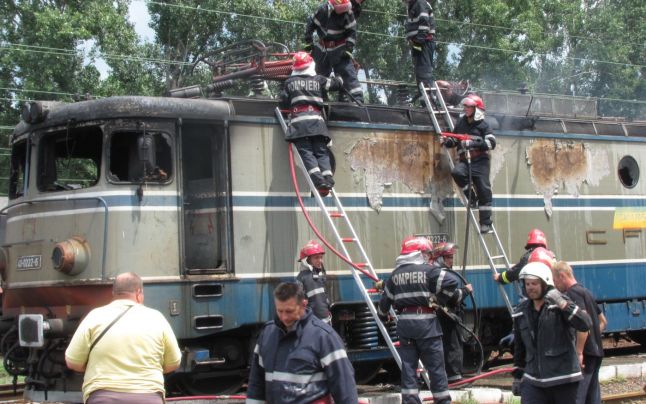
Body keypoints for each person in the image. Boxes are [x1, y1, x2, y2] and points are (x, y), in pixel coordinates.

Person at [65, 272, 182, 404]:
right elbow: (174, 363)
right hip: (148, 398)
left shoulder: (95, 316)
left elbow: (73, 362)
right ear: (139, 293)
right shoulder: (157, 318)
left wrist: (93, 366)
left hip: (103, 398)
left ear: (113, 293)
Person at [246, 282, 358, 403]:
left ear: (303, 305)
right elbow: (256, 383)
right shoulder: (267, 334)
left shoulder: (324, 337)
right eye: (280, 311)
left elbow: (345, 387)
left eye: (289, 311)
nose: (284, 317)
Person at [378, 236, 451, 404]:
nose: (428, 257)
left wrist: (384, 316)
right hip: (428, 327)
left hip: (406, 328)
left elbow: (383, 306)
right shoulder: (429, 271)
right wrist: (439, 300)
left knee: (409, 369)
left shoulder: (395, 275)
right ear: (418, 254)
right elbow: (451, 282)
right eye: (426, 253)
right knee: (436, 369)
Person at [512, 262, 592, 404]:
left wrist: (563, 304)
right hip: (533, 381)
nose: (530, 287)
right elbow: (519, 349)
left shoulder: (559, 305)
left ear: (545, 283)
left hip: (564, 379)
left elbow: (585, 324)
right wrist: (518, 377)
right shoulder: (520, 312)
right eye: (527, 284)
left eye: (534, 284)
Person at [279, 51, 343, 195]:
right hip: (317, 123)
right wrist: (339, 79)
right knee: (321, 152)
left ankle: (319, 181)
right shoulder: (318, 79)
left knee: (306, 153)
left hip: (299, 125)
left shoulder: (289, 82)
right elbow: (335, 85)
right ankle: (328, 178)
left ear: (295, 68)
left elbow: (283, 100)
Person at [552, 261, 607, 404]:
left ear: (562, 276)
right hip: (597, 352)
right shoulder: (586, 292)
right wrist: (593, 339)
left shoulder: (572, 293)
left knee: (578, 397)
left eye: (555, 280)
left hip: (586, 356)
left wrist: (579, 351)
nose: (555, 284)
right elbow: (603, 321)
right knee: (592, 398)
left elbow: (583, 324)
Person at [442, 95, 496, 233]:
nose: (465, 108)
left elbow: (491, 143)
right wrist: (447, 141)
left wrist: (473, 143)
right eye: (465, 106)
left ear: (476, 109)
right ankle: (471, 198)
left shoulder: (484, 125)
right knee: (457, 173)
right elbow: (454, 140)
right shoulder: (461, 123)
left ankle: (485, 223)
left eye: (468, 106)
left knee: (484, 191)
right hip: (465, 161)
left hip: (480, 162)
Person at [305, 0, 364, 103]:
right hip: (322, 47)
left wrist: (349, 49)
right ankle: (320, 98)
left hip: (340, 48)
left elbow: (352, 32)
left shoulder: (348, 13)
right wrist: (309, 41)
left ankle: (357, 100)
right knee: (318, 73)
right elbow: (311, 23)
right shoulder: (323, 10)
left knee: (347, 72)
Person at [431, 242, 473, 383]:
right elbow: (455, 298)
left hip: (442, 314)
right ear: (440, 258)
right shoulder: (443, 275)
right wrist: (466, 291)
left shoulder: (436, 272)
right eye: (448, 257)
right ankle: (454, 377)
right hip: (447, 315)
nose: (451, 260)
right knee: (453, 344)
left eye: (451, 257)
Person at [296, 240, 332, 323]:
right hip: (313, 323)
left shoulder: (319, 275)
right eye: (316, 257)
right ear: (307, 260)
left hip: (323, 322)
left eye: (321, 257)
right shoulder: (302, 278)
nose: (320, 260)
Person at [404, 0, 436, 92]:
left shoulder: (420, 3)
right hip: (418, 42)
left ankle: (429, 96)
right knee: (419, 70)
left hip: (424, 42)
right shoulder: (413, 5)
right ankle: (423, 96)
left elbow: (424, 24)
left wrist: (418, 41)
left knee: (424, 70)